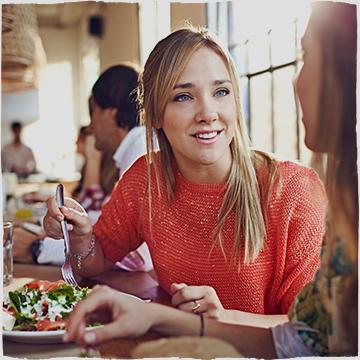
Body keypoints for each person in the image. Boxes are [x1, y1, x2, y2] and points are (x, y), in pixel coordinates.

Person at [63, 2, 357, 357]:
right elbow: (92, 261)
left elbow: (307, 338)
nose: (208, 113)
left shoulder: (294, 190)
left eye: (221, 91)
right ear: (155, 113)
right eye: (184, 96)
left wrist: (222, 318)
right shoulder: (145, 180)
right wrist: (80, 240)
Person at [15, 64, 154, 272]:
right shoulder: (136, 148)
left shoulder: (141, 154)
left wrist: (38, 248)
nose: (91, 125)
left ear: (111, 113)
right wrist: (69, 227)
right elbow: (112, 228)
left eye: (93, 112)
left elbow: (136, 256)